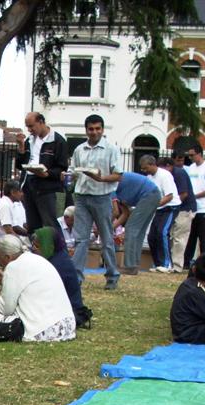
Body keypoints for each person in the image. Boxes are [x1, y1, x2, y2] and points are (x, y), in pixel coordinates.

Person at [0, 235, 76, 342]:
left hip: (42, 330)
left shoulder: (13, 267)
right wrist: (4, 282)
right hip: (67, 326)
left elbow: (6, 309)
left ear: (7, 257)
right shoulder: (36, 258)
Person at [69, 114, 123, 289]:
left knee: (106, 238)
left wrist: (101, 178)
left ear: (102, 129)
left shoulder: (110, 149)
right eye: (91, 129)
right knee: (81, 239)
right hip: (82, 197)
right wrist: (69, 175)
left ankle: (112, 276)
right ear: (86, 130)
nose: (94, 132)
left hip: (102, 196)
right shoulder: (79, 149)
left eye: (97, 128)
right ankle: (76, 277)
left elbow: (118, 175)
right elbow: (73, 171)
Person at [16, 112, 70, 235]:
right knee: (33, 225)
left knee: (50, 224)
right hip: (29, 185)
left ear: (41, 122)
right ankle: (35, 252)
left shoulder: (57, 140)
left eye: (31, 126)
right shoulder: (29, 140)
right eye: (27, 127)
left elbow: (62, 168)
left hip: (47, 188)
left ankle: (55, 252)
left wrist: (47, 174)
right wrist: (21, 146)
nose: (29, 130)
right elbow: (20, 165)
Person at [111, 170, 161, 276]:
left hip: (148, 195)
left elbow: (115, 212)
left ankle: (130, 266)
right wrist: (111, 228)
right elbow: (125, 213)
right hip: (153, 194)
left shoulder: (110, 186)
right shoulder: (116, 185)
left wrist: (105, 227)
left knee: (131, 229)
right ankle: (134, 264)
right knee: (138, 231)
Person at [31, 226, 85, 321]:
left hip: (67, 311)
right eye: (33, 245)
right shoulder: (57, 256)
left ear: (47, 246)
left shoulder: (57, 265)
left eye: (37, 246)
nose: (33, 249)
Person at [140, 155, 180, 273]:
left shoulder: (165, 175)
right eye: (142, 169)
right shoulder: (149, 178)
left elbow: (169, 196)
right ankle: (158, 264)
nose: (144, 171)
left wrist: (154, 205)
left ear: (153, 165)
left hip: (170, 207)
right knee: (152, 236)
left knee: (162, 232)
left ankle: (167, 264)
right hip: (159, 209)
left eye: (145, 168)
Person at [183, 145, 205, 269]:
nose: (190, 158)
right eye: (189, 155)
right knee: (191, 237)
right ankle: (186, 262)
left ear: (199, 154)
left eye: (192, 155)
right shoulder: (191, 168)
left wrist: (195, 196)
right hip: (193, 208)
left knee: (203, 238)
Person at [166, 153, 196, 272]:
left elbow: (183, 194)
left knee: (180, 237)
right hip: (177, 209)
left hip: (185, 209)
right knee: (173, 236)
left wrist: (174, 206)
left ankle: (177, 266)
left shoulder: (179, 173)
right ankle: (171, 263)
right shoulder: (171, 174)